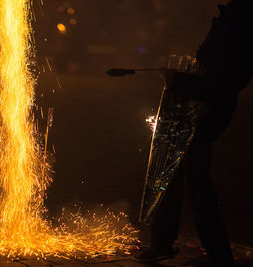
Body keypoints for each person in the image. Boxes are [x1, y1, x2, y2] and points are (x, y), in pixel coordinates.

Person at [134, 0, 253, 266]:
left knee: (197, 179)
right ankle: (165, 243)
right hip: (203, 101)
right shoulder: (230, 15)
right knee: (175, 172)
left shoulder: (239, 19)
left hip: (208, 107)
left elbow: (223, 76)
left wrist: (182, 81)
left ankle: (217, 253)